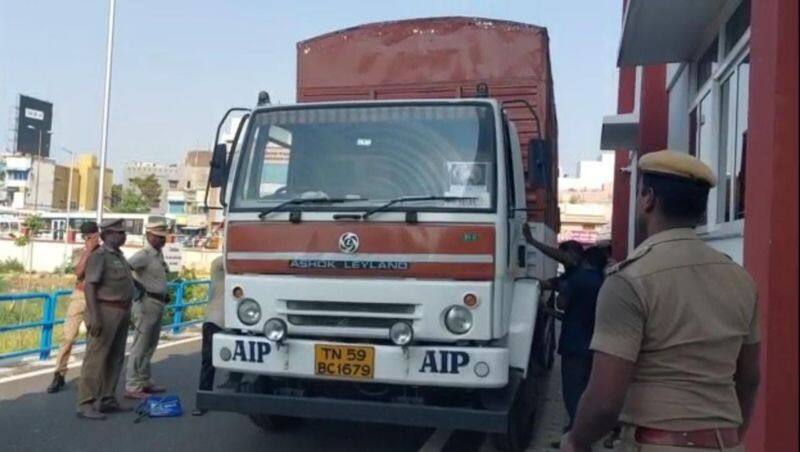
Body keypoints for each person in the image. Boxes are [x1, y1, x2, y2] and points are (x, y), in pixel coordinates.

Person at [562, 150, 760, 452]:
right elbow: (749, 379)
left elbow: (604, 401)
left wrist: (576, 441)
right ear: (702, 212)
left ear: (648, 200)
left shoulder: (628, 281)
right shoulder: (741, 279)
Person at [77, 218, 136, 420]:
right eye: (119, 232)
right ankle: (86, 402)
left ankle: (108, 397)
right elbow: (90, 286)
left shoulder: (118, 256)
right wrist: (94, 315)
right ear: (108, 234)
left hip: (122, 311)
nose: (123, 236)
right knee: (96, 358)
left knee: (115, 357)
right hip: (105, 310)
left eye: (123, 232)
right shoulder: (99, 256)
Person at [47, 221, 99, 393]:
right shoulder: (80, 252)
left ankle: (91, 376)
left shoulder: (105, 253)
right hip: (80, 297)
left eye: (94, 234)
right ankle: (58, 374)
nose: (92, 238)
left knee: (95, 338)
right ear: (84, 237)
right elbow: (78, 272)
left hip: (98, 298)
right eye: (89, 235)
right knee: (68, 337)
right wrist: (88, 251)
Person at [124, 220, 170, 400]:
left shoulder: (158, 255)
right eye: (158, 237)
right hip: (146, 303)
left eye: (163, 238)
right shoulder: (143, 255)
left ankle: (144, 379)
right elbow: (126, 268)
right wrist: (137, 286)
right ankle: (133, 385)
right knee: (140, 345)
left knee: (151, 344)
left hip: (157, 302)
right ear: (149, 236)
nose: (162, 241)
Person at [192, 253, 242, 416]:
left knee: (241, 355)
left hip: (237, 318)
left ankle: (236, 386)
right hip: (217, 317)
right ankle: (204, 397)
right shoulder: (219, 264)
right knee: (208, 358)